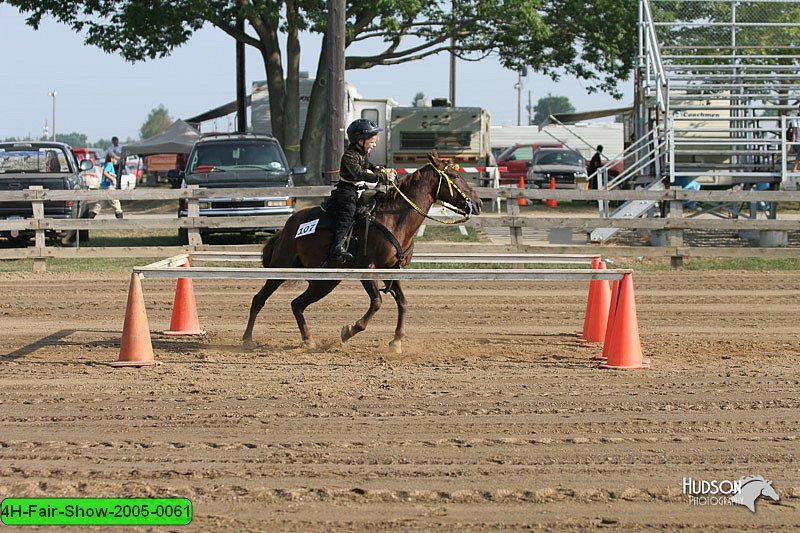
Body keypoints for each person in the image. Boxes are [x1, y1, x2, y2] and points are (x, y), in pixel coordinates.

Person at [327, 119, 396, 262]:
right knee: (348, 212)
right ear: (360, 141)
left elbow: (366, 164)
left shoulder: (362, 153)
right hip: (346, 190)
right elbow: (359, 174)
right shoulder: (349, 156)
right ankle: (338, 246)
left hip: (359, 188)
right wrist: (382, 177)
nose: (374, 144)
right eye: (372, 141)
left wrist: (375, 168)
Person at [88, 152, 124, 219]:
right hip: (108, 187)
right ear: (111, 159)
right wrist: (112, 179)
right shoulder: (109, 164)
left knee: (100, 204)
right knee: (116, 203)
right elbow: (105, 172)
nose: (116, 161)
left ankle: (91, 216)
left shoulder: (108, 164)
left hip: (104, 186)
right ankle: (120, 219)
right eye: (115, 159)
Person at [791, 108, 800, 173]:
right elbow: (794, 133)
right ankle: (795, 166)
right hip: (798, 142)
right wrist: (792, 146)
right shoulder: (796, 119)